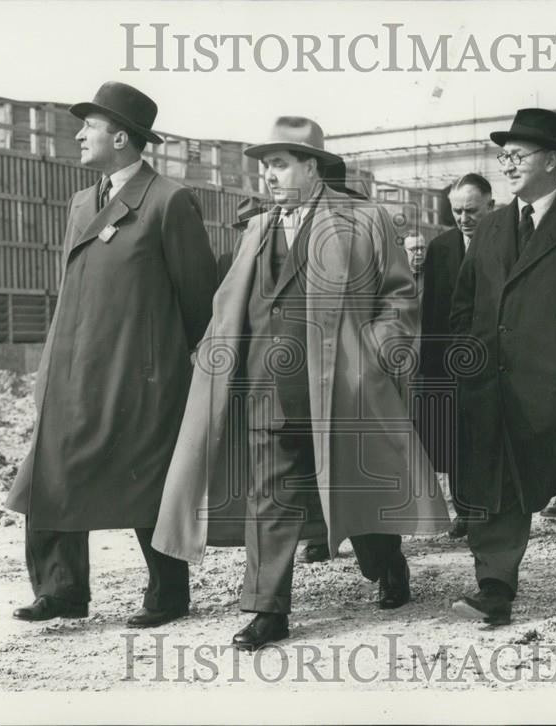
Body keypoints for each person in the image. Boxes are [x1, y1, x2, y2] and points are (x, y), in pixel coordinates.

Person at [151, 116, 449, 651]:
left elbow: (400, 300)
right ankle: (267, 611)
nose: (268, 175)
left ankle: (387, 563)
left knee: (357, 490)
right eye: (265, 165)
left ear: (311, 166)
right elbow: (232, 306)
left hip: (341, 390)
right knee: (270, 499)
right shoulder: (258, 229)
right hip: (267, 389)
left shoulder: (364, 220)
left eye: (280, 164)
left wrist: (373, 359)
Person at [4, 82, 217, 627]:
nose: (78, 134)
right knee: (49, 473)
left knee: (147, 479)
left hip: (139, 374)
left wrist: (176, 366)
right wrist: (51, 362)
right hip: (74, 368)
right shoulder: (82, 202)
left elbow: (198, 297)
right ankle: (61, 590)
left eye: (89, 127)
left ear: (121, 137)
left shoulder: (168, 200)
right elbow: (72, 289)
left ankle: (168, 595)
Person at [449, 108, 556, 627]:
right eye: (504, 156)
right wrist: (468, 364)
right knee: (497, 485)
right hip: (493, 386)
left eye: (519, 155)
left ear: (553, 160)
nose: (508, 165)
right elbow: (465, 305)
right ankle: (495, 587)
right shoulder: (492, 228)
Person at [419, 174, 495, 538]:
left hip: (495, 360)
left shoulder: (508, 241)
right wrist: (430, 371)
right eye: (456, 211)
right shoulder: (441, 248)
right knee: (456, 440)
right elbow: (432, 312)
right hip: (450, 364)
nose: (463, 218)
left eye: (471, 210)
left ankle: (493, 510)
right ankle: (465, 510)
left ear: (490, 206)